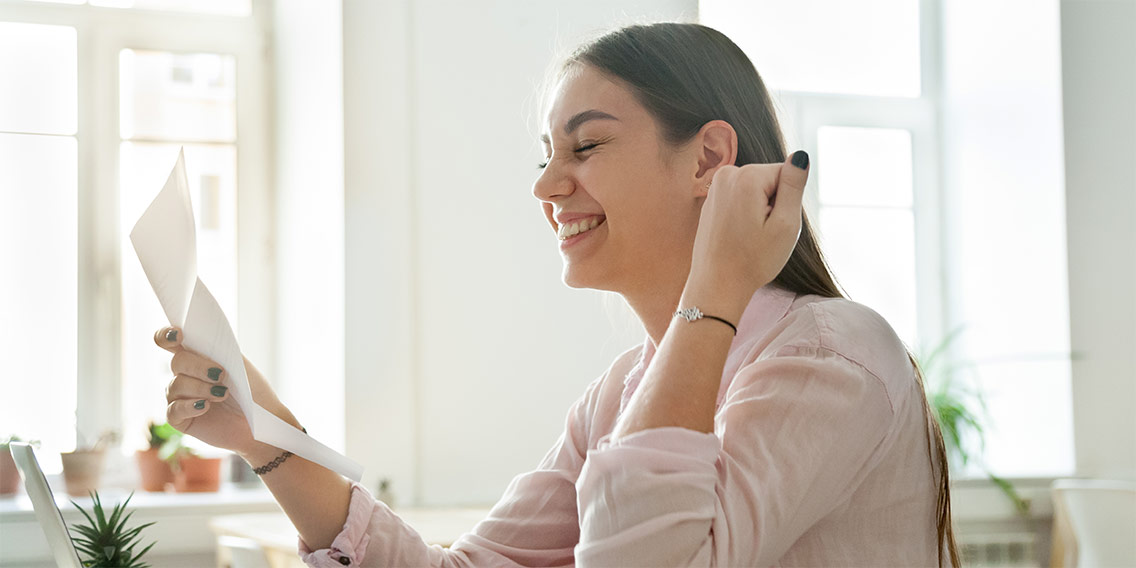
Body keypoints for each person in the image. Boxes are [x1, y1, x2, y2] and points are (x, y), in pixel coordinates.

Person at [155, 22, 959, 567]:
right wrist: (267, 434)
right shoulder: (621, 394)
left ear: (710, 157)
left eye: (587, 144)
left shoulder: (830, 356)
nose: (546, 183)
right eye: (546, 152)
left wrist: (717, 282)